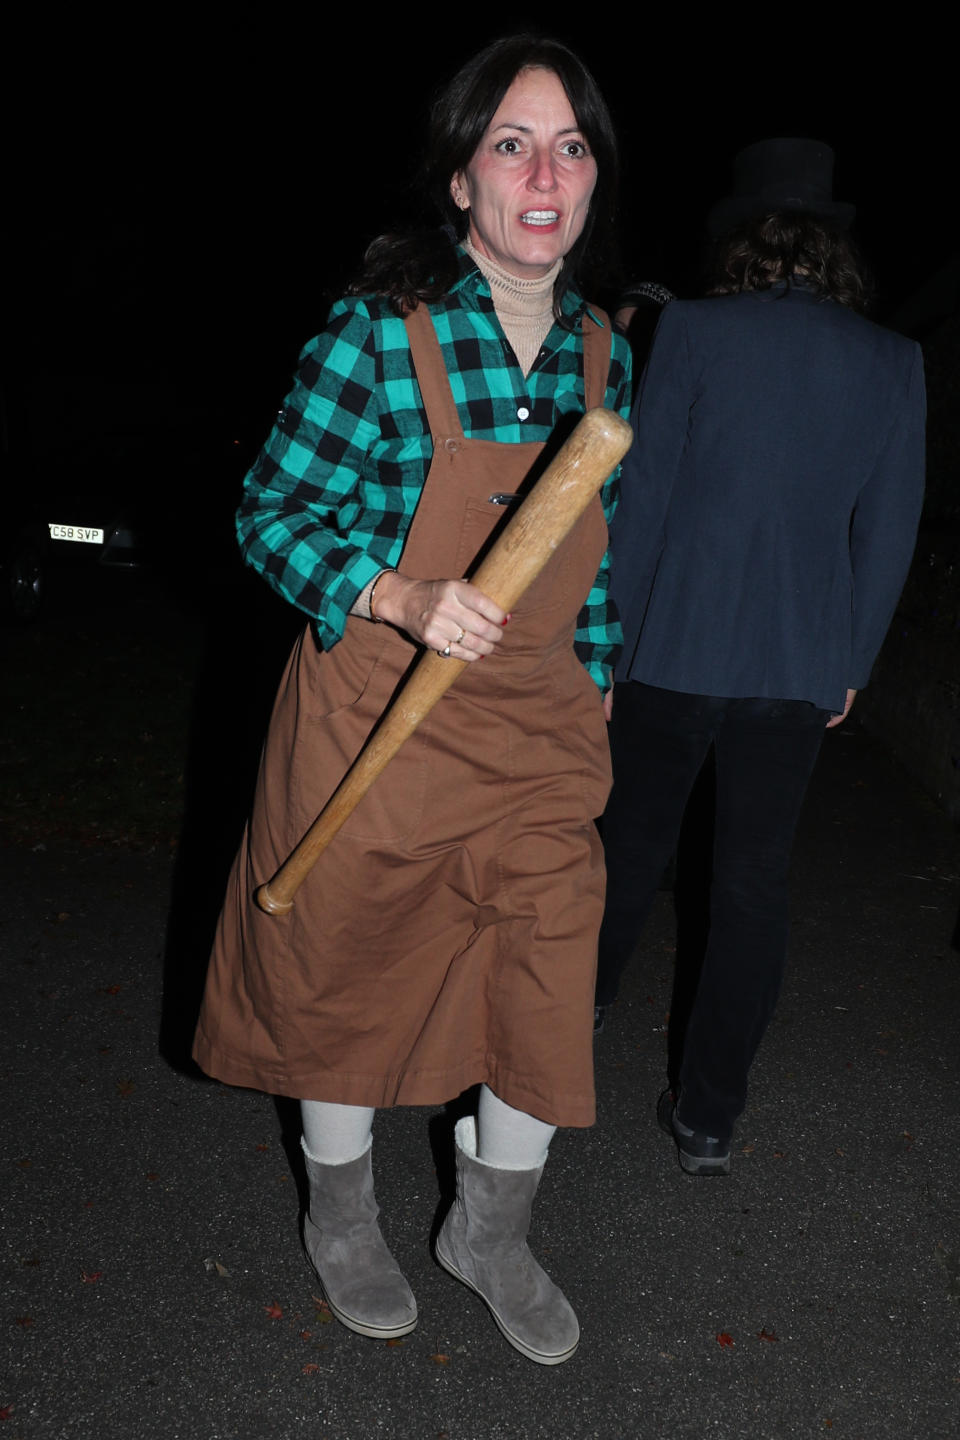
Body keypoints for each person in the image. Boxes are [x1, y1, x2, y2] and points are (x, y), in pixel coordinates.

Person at [192, 35, 631, 1365]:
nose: (543, 172)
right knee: (343, 966)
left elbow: (592, 546)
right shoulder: (378, 341)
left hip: (537, 732)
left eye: (568, 145)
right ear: (460, 179)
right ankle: (342, 1215)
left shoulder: (606, 355)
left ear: (593, 177)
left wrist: (598, 678)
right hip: (375, 715)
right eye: (511, 143)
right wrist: (391, 592)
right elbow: (268, 515)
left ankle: (486, 1230)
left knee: (547, 967)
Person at [595, 138, 925, 1175]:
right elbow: (889, 530)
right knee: (750, 885)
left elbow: (641, 500)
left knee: (621, 859)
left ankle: (549, 1053)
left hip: (673, 641)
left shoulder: (691, 329)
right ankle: (708, 1117)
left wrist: (607, 642)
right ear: (836, 250)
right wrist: (851, 662)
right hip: (795, 662)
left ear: (746, 238)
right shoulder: (892, 361)